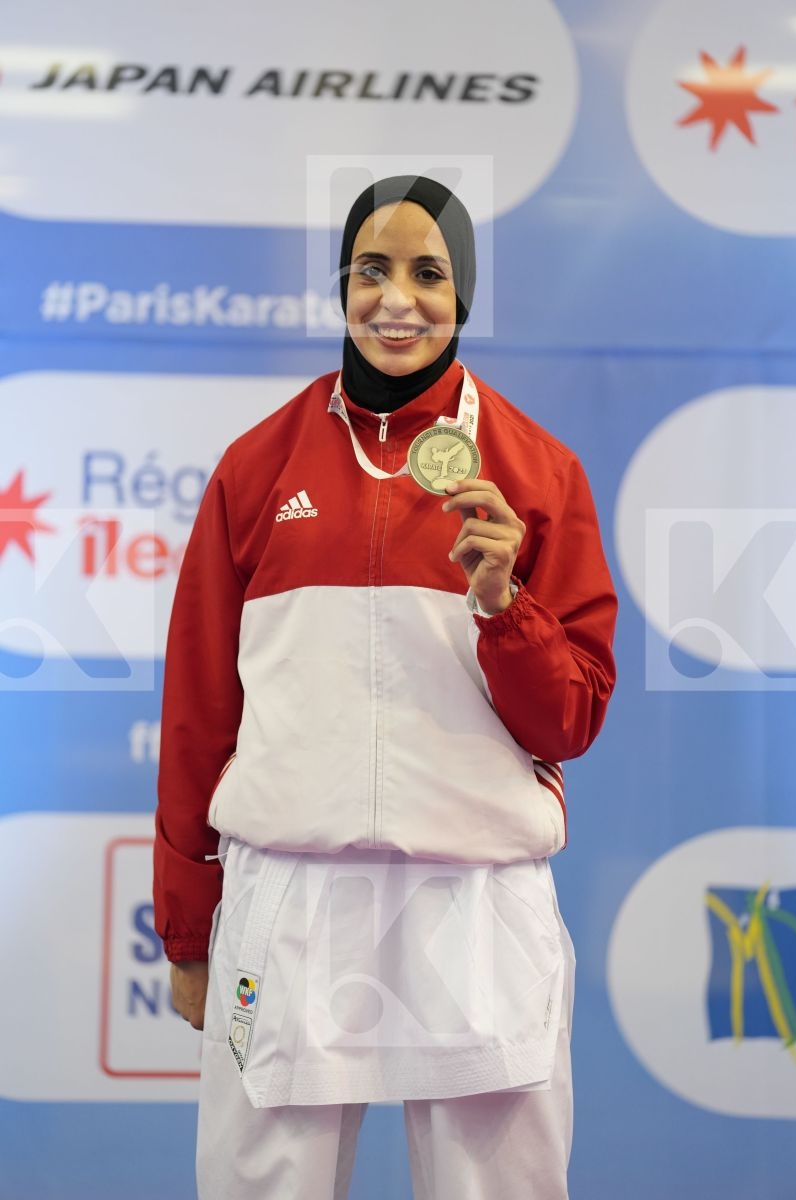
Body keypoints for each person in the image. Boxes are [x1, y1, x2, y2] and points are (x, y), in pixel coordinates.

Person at [154, 175, 617, 1200]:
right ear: (340, 285)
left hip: (475, 894)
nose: (396, 299)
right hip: (290, 893)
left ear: (463, 295)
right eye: (372, 269)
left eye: (428, 273)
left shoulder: (537, 473)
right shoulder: (256, 468)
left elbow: (571, 719)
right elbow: (198, 714)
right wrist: (187, 928)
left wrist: (503, 606)